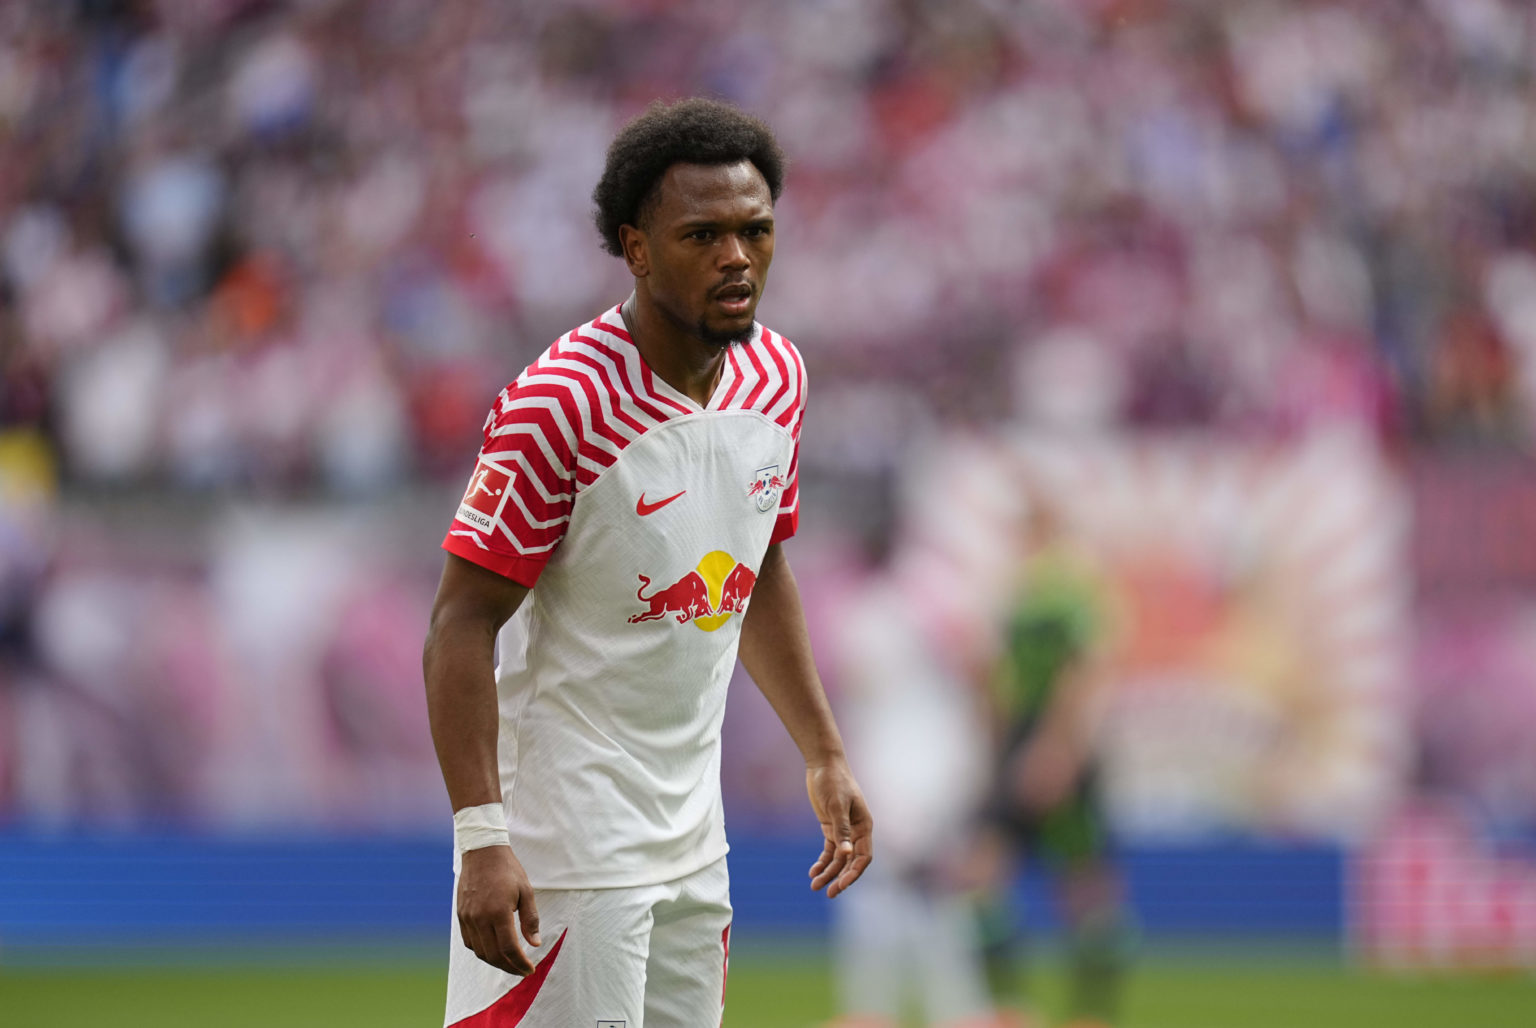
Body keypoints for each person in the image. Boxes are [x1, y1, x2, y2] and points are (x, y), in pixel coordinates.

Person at [421, 97, 873, 1027]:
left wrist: (823, 752)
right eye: (703, 235)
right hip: (570, 846)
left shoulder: (777, 377)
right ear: (635, 248)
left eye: (755, 230)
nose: (737, 257)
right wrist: (482, 839)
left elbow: (759, 571)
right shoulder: (563, 402)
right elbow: (458, 626)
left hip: (692, 842)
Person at [971, 501, 1132, 1028]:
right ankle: (1010, 1008)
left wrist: (1057, 746)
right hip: (1023, 738)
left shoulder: (1069, 587)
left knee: (1083, 884)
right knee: (983, 873)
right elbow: (1002, 678)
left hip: (1056, 743)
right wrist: (997, 751)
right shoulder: (1018, 590)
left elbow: (1081, 670)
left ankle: (1091, 1014)